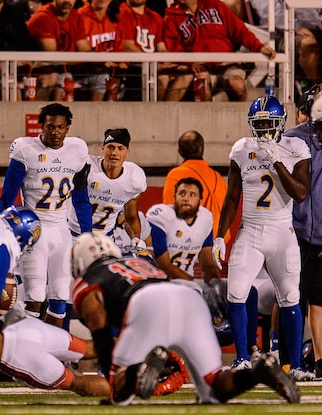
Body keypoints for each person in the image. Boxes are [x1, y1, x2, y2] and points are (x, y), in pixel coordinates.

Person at [70, 232, 300, 405]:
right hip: (188, 298)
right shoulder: (138, 262)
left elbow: (97, 319)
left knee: (119, 394)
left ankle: (140, 369)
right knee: (213, 390)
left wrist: (112, 365)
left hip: (147, 302)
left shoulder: (88, 277)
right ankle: (258, 372)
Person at [214, 95, 314, 380]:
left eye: (269, 124)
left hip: (283, 232)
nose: (264, 131)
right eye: (259, 125)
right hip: (251, 230)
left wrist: (278, 162)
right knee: (235, 291)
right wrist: (220, 236)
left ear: (281, 123)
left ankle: (293, 366)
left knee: (290, 296)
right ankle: (242, 359)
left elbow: (301, 193)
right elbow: (232, 196)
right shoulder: (242, 149)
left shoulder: (296, 147)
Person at [0, 102, 91, 327]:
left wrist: (88, 236)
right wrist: (0, 228)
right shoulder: (25, 149)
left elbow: (81, 198)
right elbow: (7, 196)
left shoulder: (77, 150)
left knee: (60, 293)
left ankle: (51, 348)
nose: (55, 132)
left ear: (67, 128)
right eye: (50, 126)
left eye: (60, 127)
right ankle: (26, 348)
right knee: (35, 295)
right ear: (42, 127)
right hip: (34, 229)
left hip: (61, 229)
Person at [162, 0, 276, 102]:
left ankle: (237, 121)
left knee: (238, 86)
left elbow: (238, 30)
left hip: (226, 60)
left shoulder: (213, 3)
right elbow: (174, 47)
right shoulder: (171, 17)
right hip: (200, 65)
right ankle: (206, 121)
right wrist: (190, 62)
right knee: (201, 88)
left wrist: (259, 47)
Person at [284, 91, 322, 377]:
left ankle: (319, 362)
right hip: (298, 231)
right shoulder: (293, 138)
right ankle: (286, 358)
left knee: (318, 300)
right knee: (291, 296)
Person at [250, 0, 322, 84]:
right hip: (283, 33)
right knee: (309, 44)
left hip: (315, 28)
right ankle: (316, 88)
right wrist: (295, 26)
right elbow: (271, 13)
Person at [68, 128, 146, 248]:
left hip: (106, 240)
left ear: (127, 152)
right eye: (110, 147)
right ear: (103, 149)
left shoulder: (134, 180)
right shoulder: (86, 167)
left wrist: (135, 238)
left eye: (120, 148)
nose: (114, 153)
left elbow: (131, 217)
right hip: (73, 235)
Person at [163, 130, 232, 244]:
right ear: (203, 150)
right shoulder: (218, 178)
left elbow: (169, 213)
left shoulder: (175, 176)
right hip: (217, 244)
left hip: (188, 245)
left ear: (179, 152)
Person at [148, 177, 221, 283]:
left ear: (200, 200)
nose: (186, 198)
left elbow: (208, 263)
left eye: (192, 195)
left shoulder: (205, 219)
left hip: (187, 283)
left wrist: (215, 283)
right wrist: (195, 283)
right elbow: (163, 265)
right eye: (182, 193)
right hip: (159, 283)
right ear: (174, 197)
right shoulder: (162, 216)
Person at [27, 0, 89, 101]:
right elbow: (51, 54)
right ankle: (37, 113)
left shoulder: (76, 16)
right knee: (61, 77)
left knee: (101, 77)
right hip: (37, 65)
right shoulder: (43, 16)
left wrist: (95, 60)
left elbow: (85, 49)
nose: (67, 0)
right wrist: (83, 58)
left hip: (64, 65)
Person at [114, 0, 170, 101]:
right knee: (162, 78)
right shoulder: (122, 13)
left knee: (184, 75)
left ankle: (166, 115)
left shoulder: (155, 16)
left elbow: (161, 46)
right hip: (132, 64)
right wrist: (152, 64)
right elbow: (127, 46)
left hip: (151, 64)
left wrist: (167, 61)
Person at [75, 0, 120, 101]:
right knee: (101, 76)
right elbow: (81, 50)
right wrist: (103, 61)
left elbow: (120, 47)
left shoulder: (115, 19)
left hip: (110, 70)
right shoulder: (80, 16)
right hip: (82, 70)